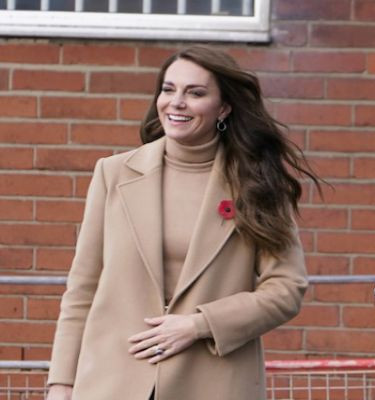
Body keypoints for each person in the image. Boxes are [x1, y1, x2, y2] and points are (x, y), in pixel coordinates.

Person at [45, 45, 318, 400]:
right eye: (168, 89)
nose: (177, 102)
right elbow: (83, 288)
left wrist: (199, 324)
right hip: (112, 383)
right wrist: (61, 383)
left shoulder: (257, 184)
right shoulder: (112, 173)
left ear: (224, 107)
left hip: (213, 383)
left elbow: (286, 288)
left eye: (195, 93)